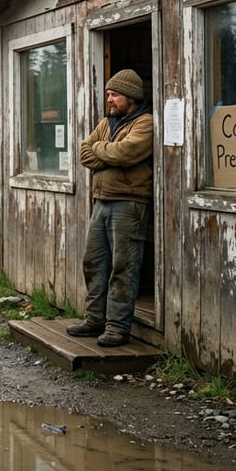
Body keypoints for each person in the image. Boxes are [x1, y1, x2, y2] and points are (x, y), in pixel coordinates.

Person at [66, 69, 153, 347]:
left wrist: (102, 151)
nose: (109, 99)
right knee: (94, 262)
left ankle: (117, 327)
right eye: (108, 94)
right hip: (101, 202)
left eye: (114, 94)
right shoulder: (107, 122)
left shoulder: (145, 123)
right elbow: (83, 152)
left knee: (123, 266)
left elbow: (126, 153)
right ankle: (94, 320)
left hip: (129, 203)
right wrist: (109, 151)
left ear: (131, 96)